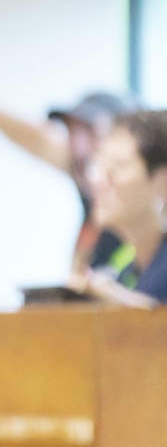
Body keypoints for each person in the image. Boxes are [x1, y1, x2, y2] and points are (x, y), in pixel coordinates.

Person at [0, 29, 137, 270]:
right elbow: (36, 138)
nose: (79, 147)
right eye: (73, 132)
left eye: (92, 133)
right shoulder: (83, 172)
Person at [73, 110, 167, 306]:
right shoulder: (124, 270)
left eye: (117, 167)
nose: (98, 181)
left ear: (162, 181)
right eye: (99, 166)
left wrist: (116, 298)